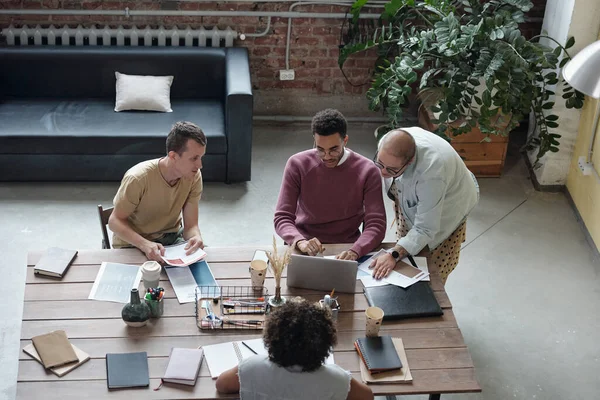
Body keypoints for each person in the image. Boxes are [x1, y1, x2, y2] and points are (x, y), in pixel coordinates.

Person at [370, 127, 479, 284]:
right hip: (416, 193)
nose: (382, 173)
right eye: (380, 164)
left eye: (392, 170)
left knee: (433, 270)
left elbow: (426, 228)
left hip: (450, 203)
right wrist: (402, 249)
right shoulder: (389, 143)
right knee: (408, 247)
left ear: (410, 161)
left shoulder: (432, 174)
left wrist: (394, 254)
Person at [274, 108, 386, 260]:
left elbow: (376, 224)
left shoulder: (368, 170)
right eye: (320, 149)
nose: (326, 157)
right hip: (304, 245)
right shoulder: (297, 164)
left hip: (347, 248)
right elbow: (282, 217)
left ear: (345, 140)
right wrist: (300, 242)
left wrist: (356, 250)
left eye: (333, 149)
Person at [215, 300, 374, 400]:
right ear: (325, 345)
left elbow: (222, 384)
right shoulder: (337, 380)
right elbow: (368, 396)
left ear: (272, 339)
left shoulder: (252, 367)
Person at [108, 121, 206, 262]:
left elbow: (191, 226)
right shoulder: (138, 178)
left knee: (202, 271)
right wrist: (145, 245)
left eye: (201, 157)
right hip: (132, 242)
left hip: (170, 238)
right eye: (194, 158)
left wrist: (195, 237)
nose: (200, 165)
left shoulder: (193, 176)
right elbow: (114, 221)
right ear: (173, 156)